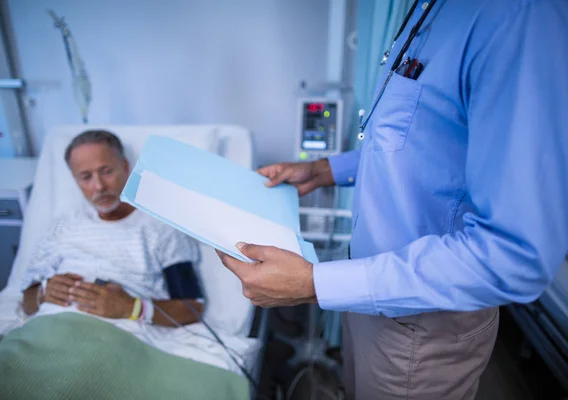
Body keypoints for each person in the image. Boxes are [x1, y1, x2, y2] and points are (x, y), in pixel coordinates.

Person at [216, 0, 568, 398]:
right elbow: (424, 144)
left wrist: (316, 284)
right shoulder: (430, 10)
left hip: (421, 328)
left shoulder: (518, 18)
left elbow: (513, 256)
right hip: (367, 292)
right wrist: (325, 170)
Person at [22, 129, 204, 327]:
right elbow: (27, 303)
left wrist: (132, 307)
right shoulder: (62, 228)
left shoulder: (161, 229)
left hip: (115, 335)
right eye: (86, 177)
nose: (99, 186)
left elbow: (192, 308)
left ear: (125, 167)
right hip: (47, 328)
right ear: (75, 180)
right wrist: (43, 294)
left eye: (107, 172)